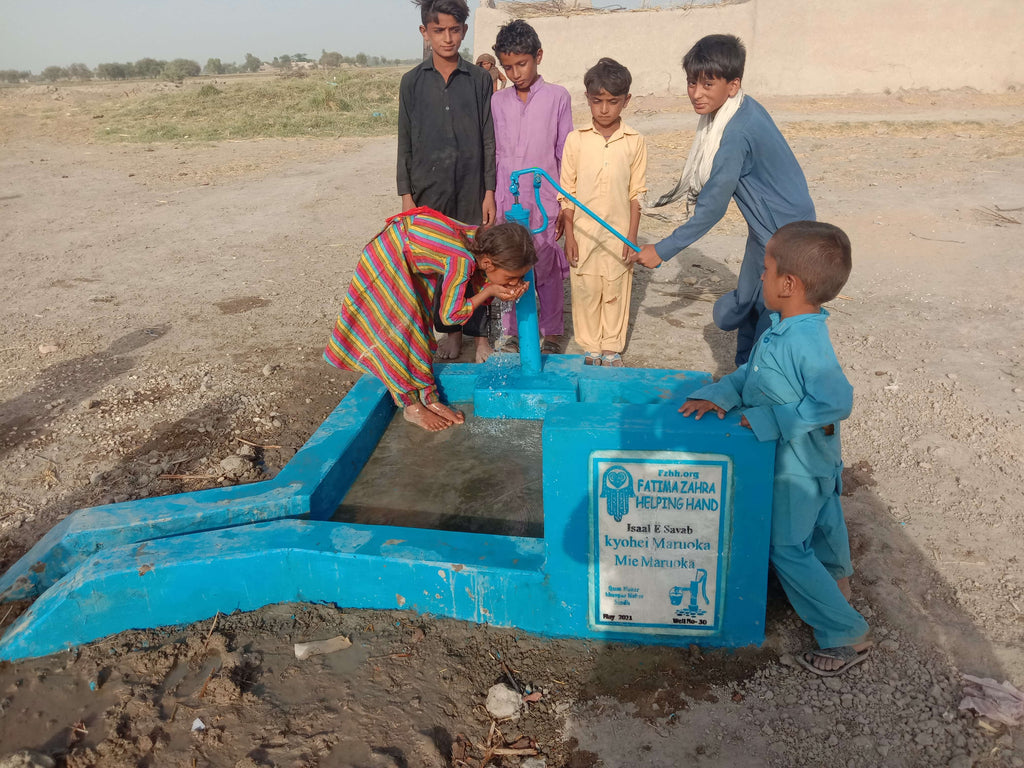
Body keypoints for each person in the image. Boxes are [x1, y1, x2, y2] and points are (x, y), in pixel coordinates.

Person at [680, 221, 871, 676]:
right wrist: (720, 394)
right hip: (812, 460)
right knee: (823, 528)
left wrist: (773, 419)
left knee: (785, 545)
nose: (760, 276)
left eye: (765, 270)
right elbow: (752, 375)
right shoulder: (782, 327)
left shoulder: (805, 340)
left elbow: (835, 401)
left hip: (798, 465)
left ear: (788, 284)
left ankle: (845, 633)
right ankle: (837, 589)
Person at [631, 34, 815, 366]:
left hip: (785, 233)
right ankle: (743, 371)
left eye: (708, 84)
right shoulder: (739, 109)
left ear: (733, 85)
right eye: (691, 82)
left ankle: (761, 379)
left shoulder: (736, 133)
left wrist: (662, 250)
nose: (696, 93)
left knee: (770, 310)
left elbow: (712, 208)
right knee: (747, 302)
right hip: (765, 228)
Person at [324, 210, 536, 432]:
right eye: (511, 277)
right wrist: (489, 291)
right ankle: (410, 406)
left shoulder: (482, 244)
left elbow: (479, 280)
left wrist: (501, 284)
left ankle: (428, 396)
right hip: (389, 257)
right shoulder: (462, 260)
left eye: (520, 278)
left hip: (410, 256)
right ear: (488, 263)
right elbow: (450, 316)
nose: (515, 283)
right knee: (399, 330)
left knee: (420, 328)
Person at [398, 0, 497, 363]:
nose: (447, 38)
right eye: (438, 30)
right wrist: (406, 195)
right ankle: (451, 333)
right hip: (429, 189)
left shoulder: (479, 79)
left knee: (477, 260)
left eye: (454, 30)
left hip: (472, 186)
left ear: (464, 31)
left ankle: (481, 337)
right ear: (425, 33)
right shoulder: (411, 82)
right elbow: (404, 141)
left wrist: (489, 191)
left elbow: (488, 138)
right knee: (443, 264)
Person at [491, 18, 573, 355]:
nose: (515, 73)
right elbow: (495, 153)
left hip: (544, 201)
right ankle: (513, 331)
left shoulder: (558, 98)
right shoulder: (497, 102)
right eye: (508, 67)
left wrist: (565, 204)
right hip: (507, 201)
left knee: (545, 265)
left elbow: (565, 153)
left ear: (538, 56)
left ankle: (551, 331)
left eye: (522, 64)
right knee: (511, 266)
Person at [559, 58, 646, 367]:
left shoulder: (634, 141)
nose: (605, 109)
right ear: (588, 99)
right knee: (585, 288)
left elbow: (637, 194)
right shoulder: (576, 139)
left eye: (613, 101)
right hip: (583, 233)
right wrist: (570, 236)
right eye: (598, 101)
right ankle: (591, 348)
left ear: (626, 100)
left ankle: (611, 347)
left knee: (616, 288)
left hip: (619, 232)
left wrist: (631, 237)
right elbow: (566, 192)